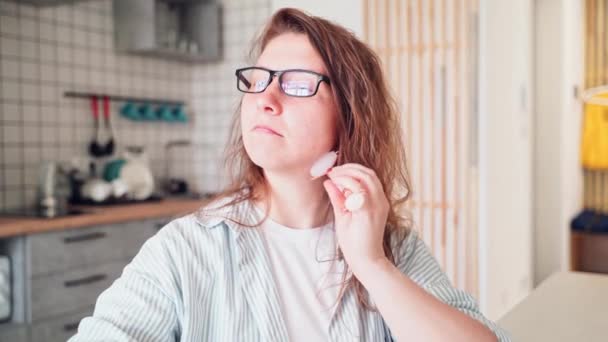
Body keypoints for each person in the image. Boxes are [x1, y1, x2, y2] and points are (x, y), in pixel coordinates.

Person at [70, 8, 510, 342]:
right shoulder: (186, 249)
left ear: (351, 114)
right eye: (258, 79)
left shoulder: (392, 247)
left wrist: (372, 266)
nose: (266, 98)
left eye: (297, 83)